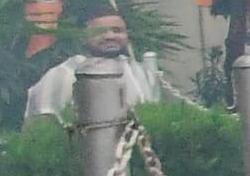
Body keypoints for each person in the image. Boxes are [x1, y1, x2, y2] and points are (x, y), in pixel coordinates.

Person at [23, 9, 171, 123]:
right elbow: (43, 126)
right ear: (82, 37)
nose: (110, 36)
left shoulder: (139, 71)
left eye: (117, 30)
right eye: (100, 32)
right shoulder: (63, 75)